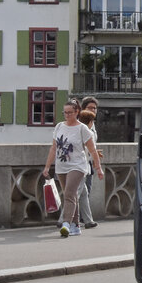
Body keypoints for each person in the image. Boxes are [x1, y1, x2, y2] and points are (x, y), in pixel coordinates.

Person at [43, 100, 104, 237]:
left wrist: (98, 168)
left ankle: (66, 224)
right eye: (65, 112)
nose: (67, 115)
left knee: (70, 193)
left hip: (78, 165)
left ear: (77, 112)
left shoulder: (82, 128)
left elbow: (93, 151)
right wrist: (47, 167)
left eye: (70, 112)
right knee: (69, 195)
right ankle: (76, 226)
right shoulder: (59, 126)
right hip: (61, 166)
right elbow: (54, 148)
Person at [76, 108, 99, 229]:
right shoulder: (87, 132)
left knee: (83, 193)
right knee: (75, 194)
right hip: (82, 166)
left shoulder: (77, 130)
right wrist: (98, 167)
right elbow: (91, 151)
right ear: (89, 122)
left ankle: (88, 220)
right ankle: (64, 219)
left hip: (79, 165)